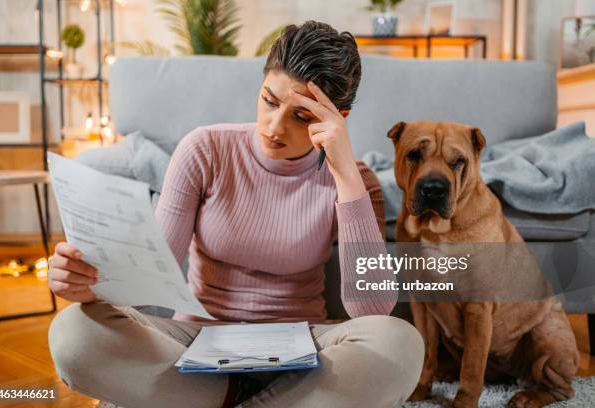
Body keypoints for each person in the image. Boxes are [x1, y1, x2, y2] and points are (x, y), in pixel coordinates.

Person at [47, 21, 424, 408]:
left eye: (302, 117)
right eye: (270, 101)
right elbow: (145, 284)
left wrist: (344, 173)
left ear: (337, 118)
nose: (275, 127)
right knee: (72, 334)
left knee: (399, 343)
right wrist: (87, 283)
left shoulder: (356, 181)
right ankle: (248, 398)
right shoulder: (205, 150)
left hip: (303, 353)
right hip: (195, 346)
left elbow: (371, 309)